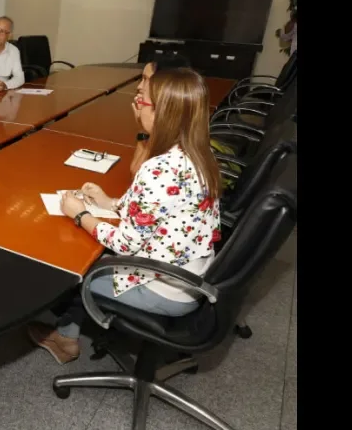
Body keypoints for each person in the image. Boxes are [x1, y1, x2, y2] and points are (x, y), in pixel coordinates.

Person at [27, 68, 222, 364]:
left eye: (143, 102)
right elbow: (160, 212)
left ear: (163, 113)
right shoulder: (197, 153)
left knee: (76, 269)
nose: (137, 104)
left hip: (164, 286)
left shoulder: (158, 169)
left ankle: (66, 338)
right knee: (92, 255)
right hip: (191, 274)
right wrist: (109, 202)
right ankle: (71, 327)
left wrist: (79, 215)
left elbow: (126, 244)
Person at [129, 53, 191, 176]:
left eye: (146, 80)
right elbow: (134, 171)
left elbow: (137, 172)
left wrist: (147, 128)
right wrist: (143, 130)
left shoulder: (173, 140)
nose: (139, 86)